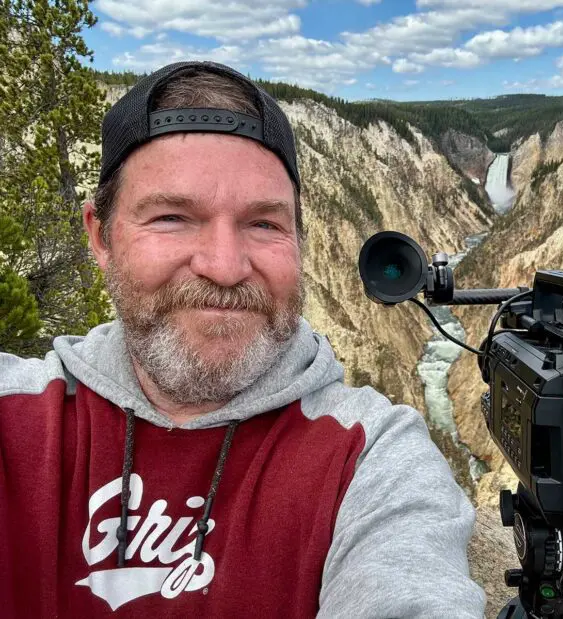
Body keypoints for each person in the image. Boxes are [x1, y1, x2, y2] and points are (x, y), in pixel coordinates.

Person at [0, 61, 486, 617]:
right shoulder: (18, 420)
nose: (225, 267)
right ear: (100, 236)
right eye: (172, 216)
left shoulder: (370, 458)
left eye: (263, 224)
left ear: (299, 242)